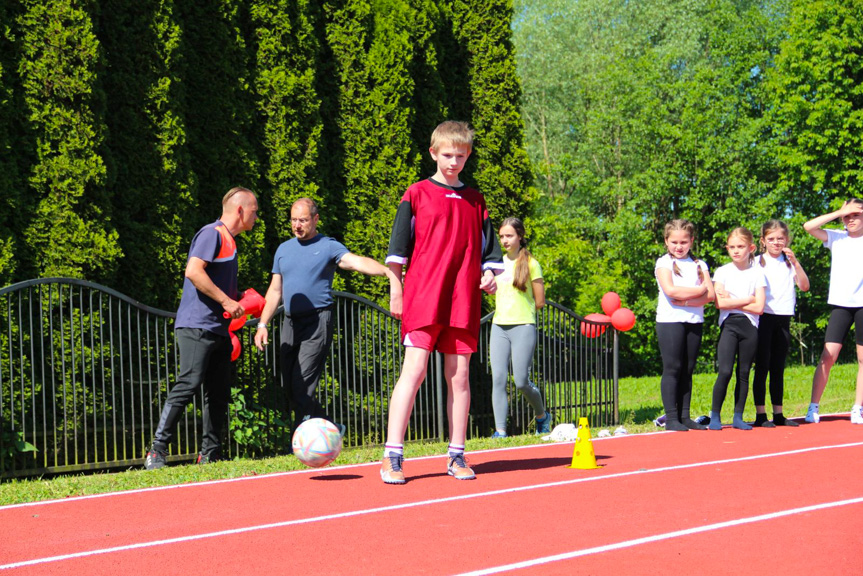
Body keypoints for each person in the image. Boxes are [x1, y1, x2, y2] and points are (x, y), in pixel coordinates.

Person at [380, 120, 503, 484]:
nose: (454, 161)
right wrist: (396, 290)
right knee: (414, 371)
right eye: (447, 154)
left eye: (461, 155)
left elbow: (490, 255)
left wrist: (490, 276)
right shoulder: (416, 193)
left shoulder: (475, 200)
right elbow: (396, 253)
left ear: (468, 156)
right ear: (433, 153)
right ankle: (392, 455)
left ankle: (456, 455)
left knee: (460, 376)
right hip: (423, 297)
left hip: (462, 301)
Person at [253, 198, 403, 436]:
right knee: (291, 386)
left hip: (317, 321)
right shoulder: (283, 249)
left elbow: (354, 262)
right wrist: (263, 324)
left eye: (302, 220)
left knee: (302, 383)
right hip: (290, 323)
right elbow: (275, 290)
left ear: (315, 219)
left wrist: (386, 271)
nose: (297, 225)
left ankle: (300, 439)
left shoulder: (328, 246)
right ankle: (330, 427)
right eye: (293, 220)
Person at [145, 187, 259, 470]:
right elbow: (194, 271)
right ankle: (157, 451)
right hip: (196, 326)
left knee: (218, 393)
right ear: (240, 211)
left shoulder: (231, 242)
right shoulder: (213, 233)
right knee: (188, 384)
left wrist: (237, 299)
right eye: (255, 211)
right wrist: (226, 300)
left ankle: (210, 455)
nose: (257, 217)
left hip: (218, 330)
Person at [802, 199, 863, 424]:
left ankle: (858, 407)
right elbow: (808, 227)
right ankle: (813, 406)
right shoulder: (837, 237)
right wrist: (840, 211)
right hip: (841, 305)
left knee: (862, 358)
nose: (850, 219)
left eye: (855, 215)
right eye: (847, 216)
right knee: (828, 356)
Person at [489, 217, 550, 438]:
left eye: (509, 236)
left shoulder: (532, 264)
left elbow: (540, 301)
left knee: (521, 380)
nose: (505, 240)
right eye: (502, 236)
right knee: (498, 378)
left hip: (523, 325)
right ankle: (500, 431)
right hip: (499, 327)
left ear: (520, 237)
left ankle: (542, 416)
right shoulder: (495, 264)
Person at [655, 219, 715, 432]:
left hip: (694, 321)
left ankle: (685, 416)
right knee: (673, 368)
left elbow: (712, 294)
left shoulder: (700, 264)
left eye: (683, 242)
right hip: (670, 321)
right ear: (666, 241)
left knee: (687, 369)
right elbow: (671, 291)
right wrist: (699, 291)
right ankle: (671, 418)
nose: (678, 246)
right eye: (674, 242)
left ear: (691, 240)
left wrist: (689, 300)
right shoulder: (664, 263)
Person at [752, 220, 810, 427]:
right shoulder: (757, 262)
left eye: (780, 239)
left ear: (786, 240)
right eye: (771, 239)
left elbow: (804, 286)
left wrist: (796, 262)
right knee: (762, 366)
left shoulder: (789, 263)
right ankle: (760, 414)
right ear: (763, 241)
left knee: (778, 367)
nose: (776, 243)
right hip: (763, 317)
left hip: (783, 318)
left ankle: (778, 413)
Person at [708, 227, 766, 431]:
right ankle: (715, 415)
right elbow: (720, 305)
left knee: (743, 373)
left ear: (751, 248)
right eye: (732, 247)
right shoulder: (722, 272)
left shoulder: (758, 274)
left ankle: (738, 416)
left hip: (749, 327)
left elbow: (759, 308)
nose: (736, 251)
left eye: (740, 246)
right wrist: (746, 299)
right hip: (729, 325)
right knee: (724, 371)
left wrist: (733, 300)